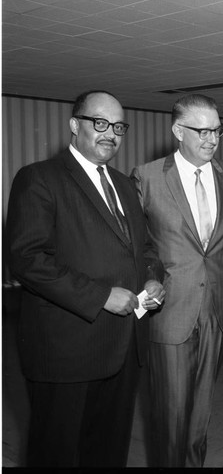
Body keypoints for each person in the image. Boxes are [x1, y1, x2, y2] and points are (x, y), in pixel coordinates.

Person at [6, 90, 165, 468]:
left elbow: (144, 249)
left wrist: (154, 279)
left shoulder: (126, 185)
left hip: (123, 347)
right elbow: (27, 259)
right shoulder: (39, 179)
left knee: (109, 451)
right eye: (100, 123)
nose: (110, 133)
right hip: (66, 351)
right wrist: (99, 296)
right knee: (56, 453)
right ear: (75, 126)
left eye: (118, 126)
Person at [131, 93, 223, 467]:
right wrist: (149, 282)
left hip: (217, 307)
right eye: (202, 131)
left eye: (217, 130)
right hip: (171, 310)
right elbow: (140, 247)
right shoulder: (147, 177)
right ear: (178, 130)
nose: (212, 139)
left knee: (201, 416)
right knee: (170, 416)